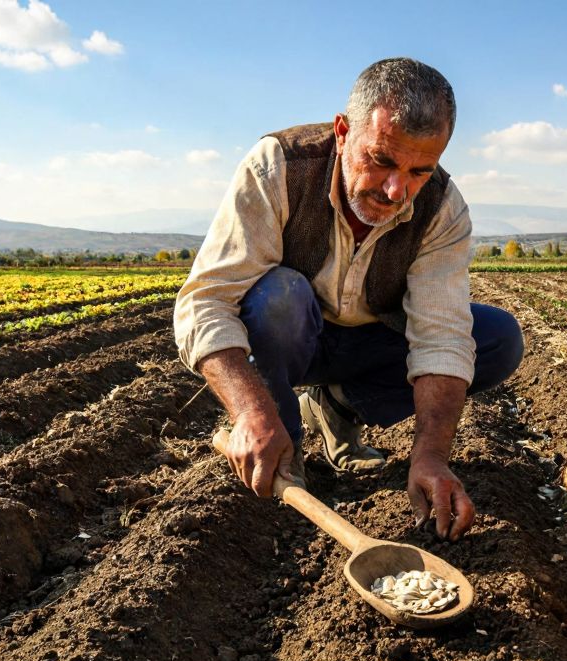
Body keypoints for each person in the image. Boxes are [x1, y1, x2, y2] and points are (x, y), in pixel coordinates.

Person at [173, 57, 523, 541]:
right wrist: (250, 411)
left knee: (497, 339)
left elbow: (441, 335)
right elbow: (206, 301)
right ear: (342, 132)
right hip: (291, 337)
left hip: (372, 342)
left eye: (419, 170)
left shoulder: (441, 207)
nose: (396, 189)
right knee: (280, 296)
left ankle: (340, 405)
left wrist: (431, 456)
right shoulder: (280, 165)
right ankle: (281, 447)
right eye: (381, 160)